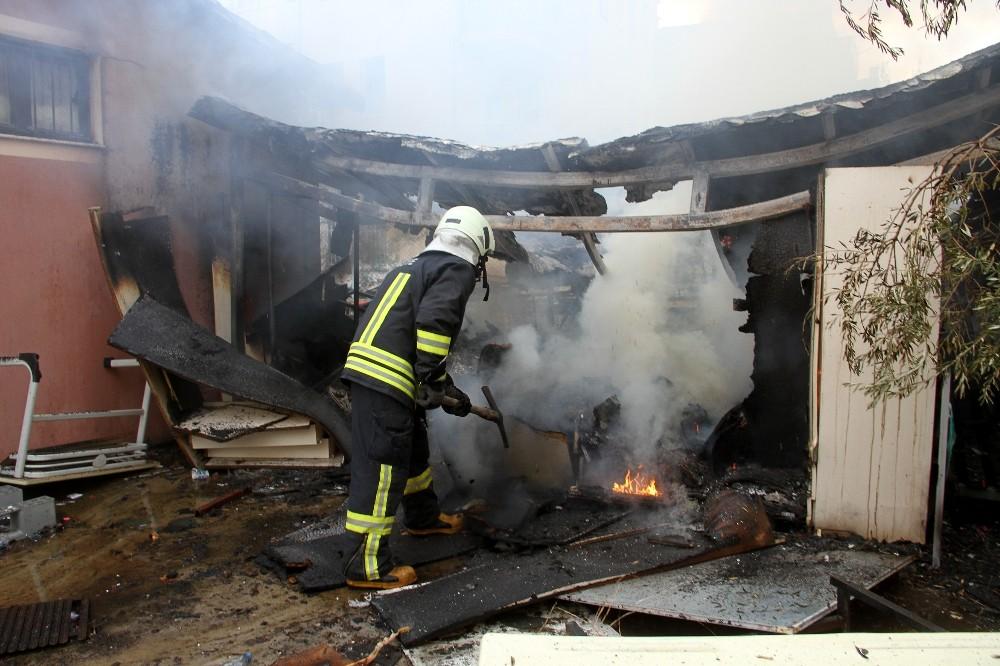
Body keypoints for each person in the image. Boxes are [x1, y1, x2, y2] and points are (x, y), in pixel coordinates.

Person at [340, 205, 495, 589]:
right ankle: (367, 565)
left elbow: (413, 329)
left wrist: (440, 384)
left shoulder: (415, 265)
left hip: (379, 372)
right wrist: (433, 379)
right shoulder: (455, 268)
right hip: (386, 377)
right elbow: (433, 324)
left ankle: (423, 517)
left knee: (411, 450)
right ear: (478, 249)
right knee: (383, 465)